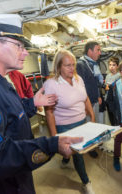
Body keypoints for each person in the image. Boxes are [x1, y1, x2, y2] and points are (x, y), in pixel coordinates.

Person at [0, 14, 82, 194]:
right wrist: (51, 145)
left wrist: (32, 103)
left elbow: (8, 113)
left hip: (13, 179)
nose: (26, 52)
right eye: (19, 46)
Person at [43, 49, 95, 194]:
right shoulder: (51, 84)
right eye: (67, 65)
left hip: (82, 121)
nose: (72, 68)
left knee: (72, 151)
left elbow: (85, 98)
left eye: (73, 64)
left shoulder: (79, 79)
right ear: (58, 66)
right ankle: (86, 182)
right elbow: (49, 112)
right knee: (79, 154)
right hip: (65, 125)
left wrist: (92, 116)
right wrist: (55, 138)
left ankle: (65, 160)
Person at [76, 41, 103, 158]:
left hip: (94, 99)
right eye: (98, 50)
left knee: (93, 123)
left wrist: (99, 95)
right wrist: (85, 103)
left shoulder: (94, 64)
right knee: (87, 125)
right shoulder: (81, 64)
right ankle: (88, 147)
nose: (100, 53)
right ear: (89, 51)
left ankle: (92, 143)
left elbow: (95, 82)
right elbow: (80, 86)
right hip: (86, 102)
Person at [105, 56, 121, 125]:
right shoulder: (108, 76)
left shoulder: (119, 76)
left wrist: (109, 87)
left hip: (115, 101)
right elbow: (106, 87)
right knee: (111, 119)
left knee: (116, 119)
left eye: (114, 65)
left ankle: (119, 135)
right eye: (110, 65)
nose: (111, 67)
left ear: (117, 66)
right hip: (108, 100)